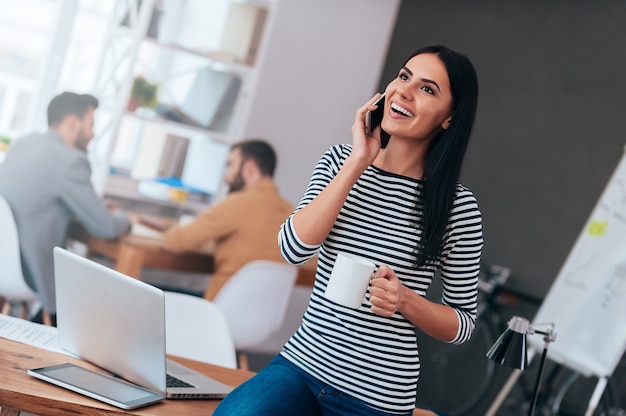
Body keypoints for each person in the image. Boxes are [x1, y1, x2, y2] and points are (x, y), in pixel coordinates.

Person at [214, 45, 483, 416]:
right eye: (404, 77)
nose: (403, 91)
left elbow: (463, 324)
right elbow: (293, 249)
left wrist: (404, 300)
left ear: (449, 118)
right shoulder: (340, 161)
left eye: (427, 89)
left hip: (378, 396)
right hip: (302, 368)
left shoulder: (458, 208)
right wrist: (358, 161)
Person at [0, 91, 131, 321]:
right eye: (91, 124)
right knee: (104, 286)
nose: (93, 134)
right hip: (32, 274)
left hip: (5, 268)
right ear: (73, 122)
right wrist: (123, 217)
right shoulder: (70, 161)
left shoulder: (23, 144)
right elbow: (107, 227)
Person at [162, 139, 294, 300]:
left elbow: (177, 242)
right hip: (259, 318)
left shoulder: (240, 203)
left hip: (219, 309)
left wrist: (169, 231)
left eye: (231, 165)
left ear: (249, 169)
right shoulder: (290, 211)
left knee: (157, 292)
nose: (227, 175)